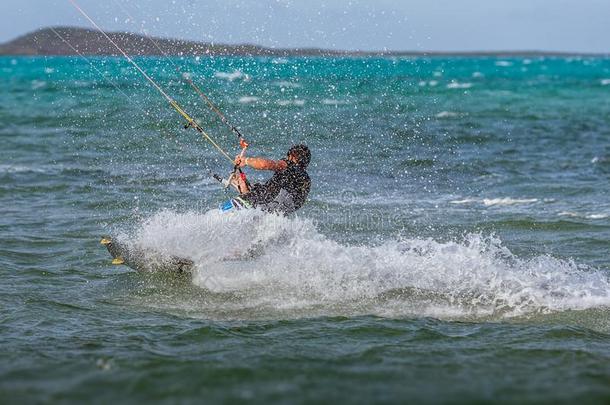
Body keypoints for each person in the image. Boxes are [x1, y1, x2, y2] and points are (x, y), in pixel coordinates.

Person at [220, 144, 311, 215]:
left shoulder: (288, 165)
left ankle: (242, 186)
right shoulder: (306, 181)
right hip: (272, 216)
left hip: (261, 203)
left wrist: (246, 160)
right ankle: (242, 184)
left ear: (292, 156)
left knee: (221, 211)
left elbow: (266, 165)